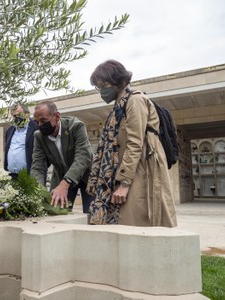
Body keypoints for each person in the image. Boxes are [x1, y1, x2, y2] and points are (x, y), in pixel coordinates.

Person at [86, 59, 177, 227]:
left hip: (142, 169)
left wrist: (125, 183)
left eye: (103, 85)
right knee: (122, 222)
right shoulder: (117, 107)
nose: (101, 91)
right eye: (98, 87)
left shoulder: (135, 100)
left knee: (137, 221)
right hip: (126, 169)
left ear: (118, 80)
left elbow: (135, 143)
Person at [30, 100, 95, 213]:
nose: (40, 125)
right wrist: (38, 191)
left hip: (88, 176)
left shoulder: (76, 126)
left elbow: (83, 157)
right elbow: (38, 165)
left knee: (91, 214)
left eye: (43, 120)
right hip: (61, 176)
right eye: (37, 122)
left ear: (57, 116)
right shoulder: (39, 136)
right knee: (56, 212)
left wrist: (65, 184)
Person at [4, 102, 38, 179]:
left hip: (29, 176)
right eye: (14, 116)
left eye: (19, 114)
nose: (17, 117)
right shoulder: (9, 130)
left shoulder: (36, 127)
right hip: (11, 176)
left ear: (27, 113)